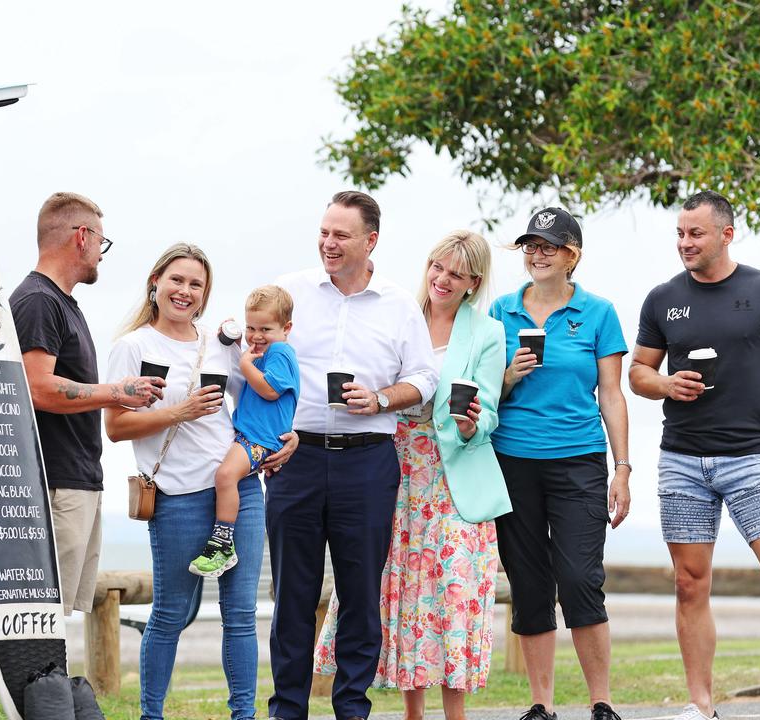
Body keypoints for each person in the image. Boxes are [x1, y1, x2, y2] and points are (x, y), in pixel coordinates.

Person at [629, 191, 760, 720]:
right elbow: (637, 373)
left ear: (726, 234)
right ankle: (701, 706)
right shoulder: (662, 298)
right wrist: (667, 384)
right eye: (679, 233)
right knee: (690, 584)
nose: (684, 243)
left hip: (750, 458)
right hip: (682, 460)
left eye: (695, 233)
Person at [313, 230, 512, 720]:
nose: (442, 279)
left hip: (453, 474)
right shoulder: (398, 313)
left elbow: (489, 413)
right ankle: (412, 713)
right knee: (394, 584)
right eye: (437, 268)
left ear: (473, 282)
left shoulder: (487, 332)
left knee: (451, 587)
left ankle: (455, 714)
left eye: (456, 274)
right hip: (390, 463)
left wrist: (472, 421)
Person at [105, 243, 296, 720]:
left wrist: (287, 441)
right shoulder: (133, 347)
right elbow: (115, 427)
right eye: (177, 280)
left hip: (241, 488)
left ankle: (243, 716)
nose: (184, 291)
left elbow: (261, 404)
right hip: (176, 497)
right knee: (169, 615)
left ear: (205, 293)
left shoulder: (222, 344)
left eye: (196, 284)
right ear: (156, 282)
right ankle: (152, 715)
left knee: (240, 617)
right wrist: (179, 411)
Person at [269, 190, 439, 720]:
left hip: (367, 462)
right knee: (291, 597)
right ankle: (287, 711)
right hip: (294, 459)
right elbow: (249, 355)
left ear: (371, 241)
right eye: (324, 232)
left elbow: (425, 378)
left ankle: (352, 711)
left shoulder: (399, 304)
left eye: (341, 234)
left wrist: (382, 399)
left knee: (362, 597)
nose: (328, 243)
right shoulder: (289, 292)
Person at [490, 207, 630, 720]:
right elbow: (485, 391)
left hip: (579, 463)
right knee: (529, 584)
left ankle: (601, 703)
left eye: (549, 246)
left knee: (578, 578)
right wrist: (508, 375)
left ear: (573, 255)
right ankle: (541, 705)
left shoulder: (599, 313)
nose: (537, 254)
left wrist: (623, 468)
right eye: (531, 245)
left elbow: (612, 396)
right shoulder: (500, 312)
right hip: (512, 461)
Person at [10, 192, 165, 617]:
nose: (101, 254)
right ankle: (40, 683)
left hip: (78, 481)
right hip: (56, 483)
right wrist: (117, 392)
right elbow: (38, 388)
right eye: (101, 242)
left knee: (60, 610)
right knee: (43, 610)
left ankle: (51, 681)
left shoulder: (60, 302)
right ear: (82, 237)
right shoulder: (39, 301)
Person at [189, 285, 300, 577]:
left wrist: (244, 363)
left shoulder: (281, 352)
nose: (257, 336)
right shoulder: (264, 353)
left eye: (266, 328)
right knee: (227, 475)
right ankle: (222, 537)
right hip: (251, 435)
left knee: (225, 475)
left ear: (286, 328)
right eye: (251, 327)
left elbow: (270, 390)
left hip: (261, 439)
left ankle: (223, 541)